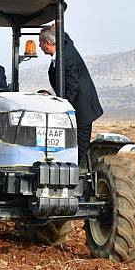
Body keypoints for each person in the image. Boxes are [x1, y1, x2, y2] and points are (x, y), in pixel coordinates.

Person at [39, 24, 103, 166]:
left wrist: (62, 109)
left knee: (80, 147)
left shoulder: (65, 57)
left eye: (41, 43)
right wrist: (57, 26)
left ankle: (80, 178)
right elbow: (66, 37)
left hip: (82, 110)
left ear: (48, 44)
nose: (39, 46)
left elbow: (73, 87)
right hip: (77, 105)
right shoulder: (64, 46)